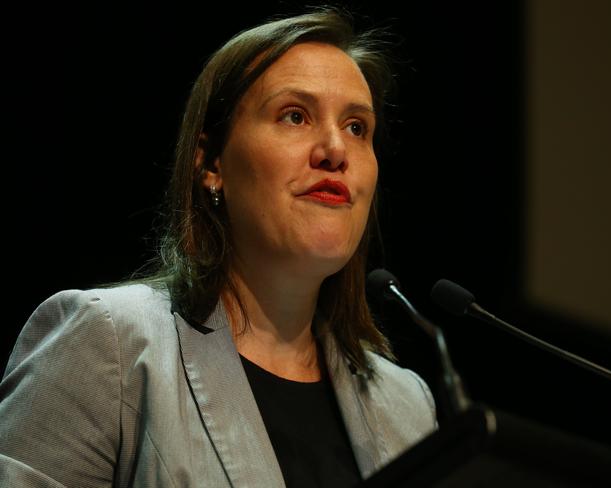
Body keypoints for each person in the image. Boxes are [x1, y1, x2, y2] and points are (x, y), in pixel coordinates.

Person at [0, 7, 437, 487]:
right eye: (295, 116)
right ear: (211, 164)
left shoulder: (408, 408)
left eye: (358, 127)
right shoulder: (110, 347)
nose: (335, 149)